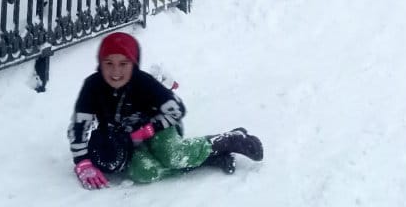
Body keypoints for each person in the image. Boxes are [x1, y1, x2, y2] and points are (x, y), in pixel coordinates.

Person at [67, 32, 264, 189]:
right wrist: (82, 162)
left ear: (133, 64)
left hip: (160, 128)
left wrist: (149, 129)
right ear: (100, 63)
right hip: (126, 141)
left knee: (173, 155)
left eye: (123, 64)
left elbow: (177, 109)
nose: (116, 71)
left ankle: (230, 140)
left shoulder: (144, 83)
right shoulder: (93, 86)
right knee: (144, 172)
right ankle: (209, 159)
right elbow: (79, 125)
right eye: (109, 63)